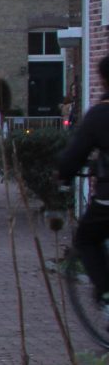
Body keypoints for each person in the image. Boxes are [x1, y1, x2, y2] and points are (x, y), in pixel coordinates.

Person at [57, 54, 109, 310]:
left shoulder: (100, 115)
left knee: (86, 239)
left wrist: (63, 176)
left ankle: (107, 292)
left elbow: (74, 155)